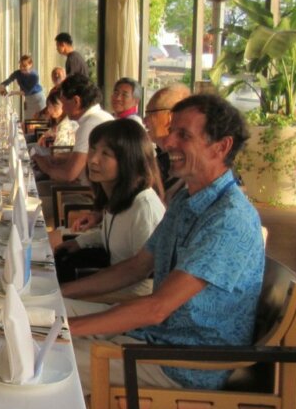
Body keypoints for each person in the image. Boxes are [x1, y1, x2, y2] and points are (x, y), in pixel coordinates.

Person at [61, 94, 265, 392]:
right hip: (154, 336)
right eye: (171, 132)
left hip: (185, 362)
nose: (168, 143)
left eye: (183, 135)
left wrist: (64, 331)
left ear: (222, 146)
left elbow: (157, 307)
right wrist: (59, 295)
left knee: (46, 357)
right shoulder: (187, 199)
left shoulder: (228, 219)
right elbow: (136, 267)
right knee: (45, 315)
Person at [54, 119, 165, 299]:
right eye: (93, 149)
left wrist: (70, 291)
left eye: (106, 154)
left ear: (128, 160)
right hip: (111, 285)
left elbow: (146, 274)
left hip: (129, 300)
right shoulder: (117, 196)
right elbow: (118, 236)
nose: (93, 160)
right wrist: (79, 242)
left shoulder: (144, 207)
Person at [33, 74, 113, 183]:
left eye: (64, 103)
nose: (64, 109)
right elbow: (84, 157)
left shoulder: (90, 124)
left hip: (87, 194)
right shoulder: (99, 116)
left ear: (76, 101)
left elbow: (68, 174)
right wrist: (57, 157)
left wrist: (43, 164)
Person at [143, 83, 191, 198]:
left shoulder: (187, 164)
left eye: (149, 113)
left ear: (170, 117)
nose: (144, 121)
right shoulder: (163, 159)